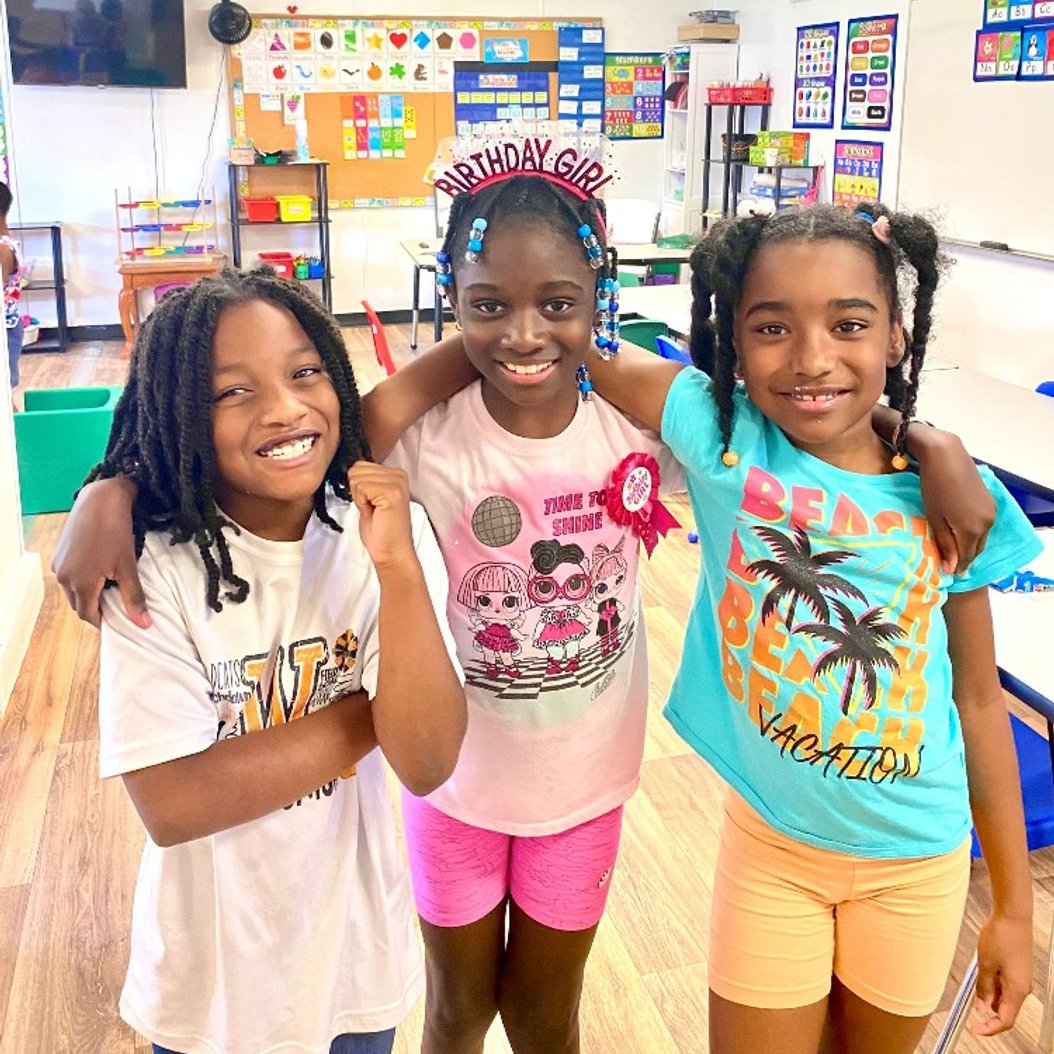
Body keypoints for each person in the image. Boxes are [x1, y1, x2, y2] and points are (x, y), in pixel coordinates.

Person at [55, 154, 994, 1053]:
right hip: (452, 788)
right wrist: (116, 487)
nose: (523, 333)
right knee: (455, 1014)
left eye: (558, 304)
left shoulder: (642, 421)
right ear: (451, 301)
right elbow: (277, 448)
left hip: (585, 786)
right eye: (487, 305)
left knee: (549, 1018)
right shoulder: (416, 435)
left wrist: (923, 438)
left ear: (598, 300)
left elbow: (791, 416)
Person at [586, 203, 1040, 1054]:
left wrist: (1014, 909)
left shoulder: (951, 503)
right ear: (731, 343)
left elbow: (981, 702)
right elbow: (577, 341)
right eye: (771, 327)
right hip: (772, 849)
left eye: (849, 323)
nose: (811, 358)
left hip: (917, 863)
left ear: (897, 337)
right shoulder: (725, 437)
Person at [91, 267, 466, 1054]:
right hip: (212, 995)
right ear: (179, 414)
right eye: (233, 392)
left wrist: (398, 572)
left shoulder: (384, 539)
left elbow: (427, 760)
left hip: (356, 972)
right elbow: (173, 802)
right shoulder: (152, 568)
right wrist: (374, 715)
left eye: (305, 372)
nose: (286, 408)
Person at [0, 182, 24, 395]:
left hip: (5, 328)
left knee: (4, 391)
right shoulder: (6, 243)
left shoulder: (3, 248)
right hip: (9, 325)